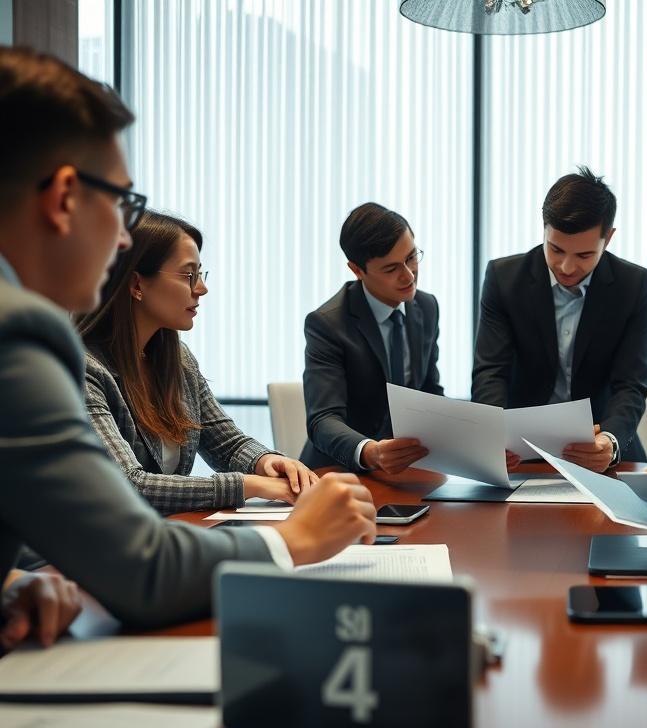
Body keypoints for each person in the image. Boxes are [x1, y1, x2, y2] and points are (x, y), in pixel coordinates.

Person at [0, 46, 376, 635]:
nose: (123, 241)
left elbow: (224, 440)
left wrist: (8, 585)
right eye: (123, 203)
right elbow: (142, 572)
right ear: (65, 198)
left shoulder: (168, 354)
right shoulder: (20, 336)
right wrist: (294, 541)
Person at [77, 211, 317, 514]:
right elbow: (127, 485)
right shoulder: (82, 369)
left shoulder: (178, 359)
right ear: (137, 283)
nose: (201, 288)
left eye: (200, 275)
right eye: (188, 275)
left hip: (169, 537)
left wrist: (267, 461)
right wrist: (249, 485)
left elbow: (227, 444)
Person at [472, 167, 647, 474]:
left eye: (584, 255)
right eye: (555, 249)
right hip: (519, 448)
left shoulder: (633, 286)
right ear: (544, 228)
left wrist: (609, 441)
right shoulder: (504, 279)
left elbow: (630, 384)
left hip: (598, 447)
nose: (567, 267)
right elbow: (491, 372)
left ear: (608, 238)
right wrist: (493, 435)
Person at [300, 203, 442, 474]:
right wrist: (369, 451)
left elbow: (429, 391)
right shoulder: (327, 324)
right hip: (339, 471)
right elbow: (323, 419)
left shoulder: (426, 307)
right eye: (391, 269)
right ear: (357, 269)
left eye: (412, 257)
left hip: (407, 470)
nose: (409, 275)